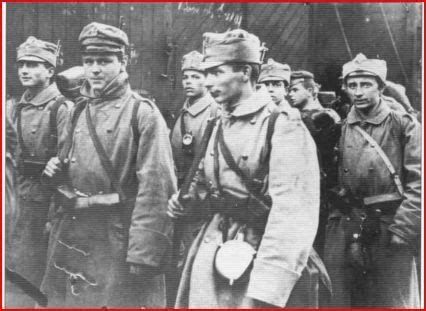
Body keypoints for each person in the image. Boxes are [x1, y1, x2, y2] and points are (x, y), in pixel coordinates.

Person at [168, 29, 328, 308]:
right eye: (205, 74)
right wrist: (189, 199)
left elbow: (293, 215)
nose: (208, 83)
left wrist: (267, 289)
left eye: (216, 73)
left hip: (259, 257)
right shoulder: (217, 123)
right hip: (213, 250)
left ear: (245, 71)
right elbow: (209, 183)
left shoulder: (282, 125)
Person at [40, 22, 177, 307]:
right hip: (73, 235)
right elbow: (71, 163)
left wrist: (144, 256)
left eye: (105, 61)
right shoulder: (80, 109)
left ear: (123, 62)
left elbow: (157, 190)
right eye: (89, 61)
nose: (95, 69)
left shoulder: (143, 114)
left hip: (116, 240)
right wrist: (56, 170)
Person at [323, 53, 421, 307]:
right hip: (348, 225)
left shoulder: (403, 125)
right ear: (344, 88)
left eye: (366, 84)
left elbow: (419, 182)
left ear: (380, 86)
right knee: (343, 299)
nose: (358, 92)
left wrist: (404, 229)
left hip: (389, 226)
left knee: (390, 299)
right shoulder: (341, 127)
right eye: (352, 85)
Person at [5, 37, 72, 307]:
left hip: (50, 200)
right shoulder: (17, 106)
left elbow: (70, 158)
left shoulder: (61, 107)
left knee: (42, 270)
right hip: (22, 197)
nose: (24, 70)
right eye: (21, 64)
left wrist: (56, 167)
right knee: (17, 265)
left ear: (50, 71)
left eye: (33, 65)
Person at [288, 71, 341, 256]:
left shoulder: (326, 118)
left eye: (295, 89)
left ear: (311, 91)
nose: (290, 94)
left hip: (320, 188)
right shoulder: (292, 116)